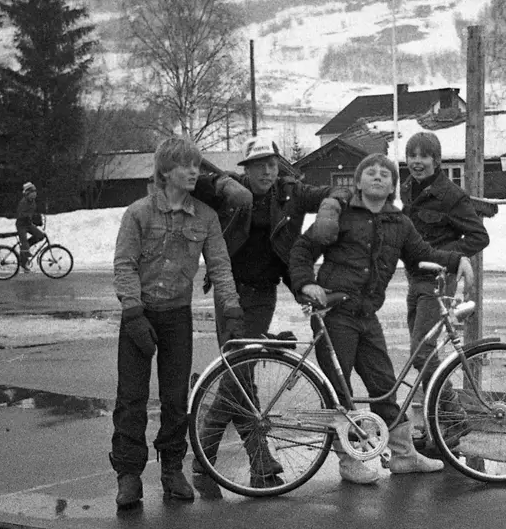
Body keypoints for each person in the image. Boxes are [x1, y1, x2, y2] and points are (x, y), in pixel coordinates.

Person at [288, 152, 474, 485]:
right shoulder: (341, 215)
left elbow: (424, 254)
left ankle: (403, 456)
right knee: (338, 386)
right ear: (358, 182)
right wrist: (306, 283)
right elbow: (303, 249)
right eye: (370, 173)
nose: (378, 177)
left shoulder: (399, 222)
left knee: (384, 384)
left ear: (393, 186)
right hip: (335, 312)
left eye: (385, 174)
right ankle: (347, 459)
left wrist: (457, 259)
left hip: (366, 314)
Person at [189, 136, 351, 488]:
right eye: (259, 164)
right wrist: (221, 182)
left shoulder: (290, 192)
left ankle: (208, 453)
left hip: (263, 294)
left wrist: (330, 209)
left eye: (272, 163)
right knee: (239, 376)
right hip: (230, 291)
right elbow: (191, 177)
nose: (267, 170)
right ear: (246, 168)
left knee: (239, 375)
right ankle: (254, 460)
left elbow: (336, 191)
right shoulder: (231, 190)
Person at [110, 138, 246, 509]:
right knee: (132, 399)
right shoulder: (137, 213)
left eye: (197, 166)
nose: (194, 173)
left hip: (176, 318)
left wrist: (231, 308)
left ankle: (172, 469)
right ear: (165, 171)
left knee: (175, 400)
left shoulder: (205, 216)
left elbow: (220, 266)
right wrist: (133, 312)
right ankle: (128, 475)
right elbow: (124, 264)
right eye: (186, 166)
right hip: (139, 316)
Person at [400, 131, 489, 455]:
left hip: (439, 282)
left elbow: (479, 236)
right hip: (415, 279)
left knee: (421, 353)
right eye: (412, 156)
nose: (417, 162)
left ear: (436, 161)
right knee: (423, 354)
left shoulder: (450, 195)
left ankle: (451, 418)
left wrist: (444, 255)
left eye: (424, 156)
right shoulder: (408, 188)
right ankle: (444, 424)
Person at [15, 182, 46, 271]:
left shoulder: (32, 202)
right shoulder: (23, 202)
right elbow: (20, 214)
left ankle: (26, 248)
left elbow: (32, 213)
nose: (35, 194)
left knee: (40, 236)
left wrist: (37, 218)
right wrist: (29, 217)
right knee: (25, 244)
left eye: (35, 192)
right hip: (21, 225)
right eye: (33, 192)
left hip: (28, 224)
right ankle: (23, 263)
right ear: (28, 193)